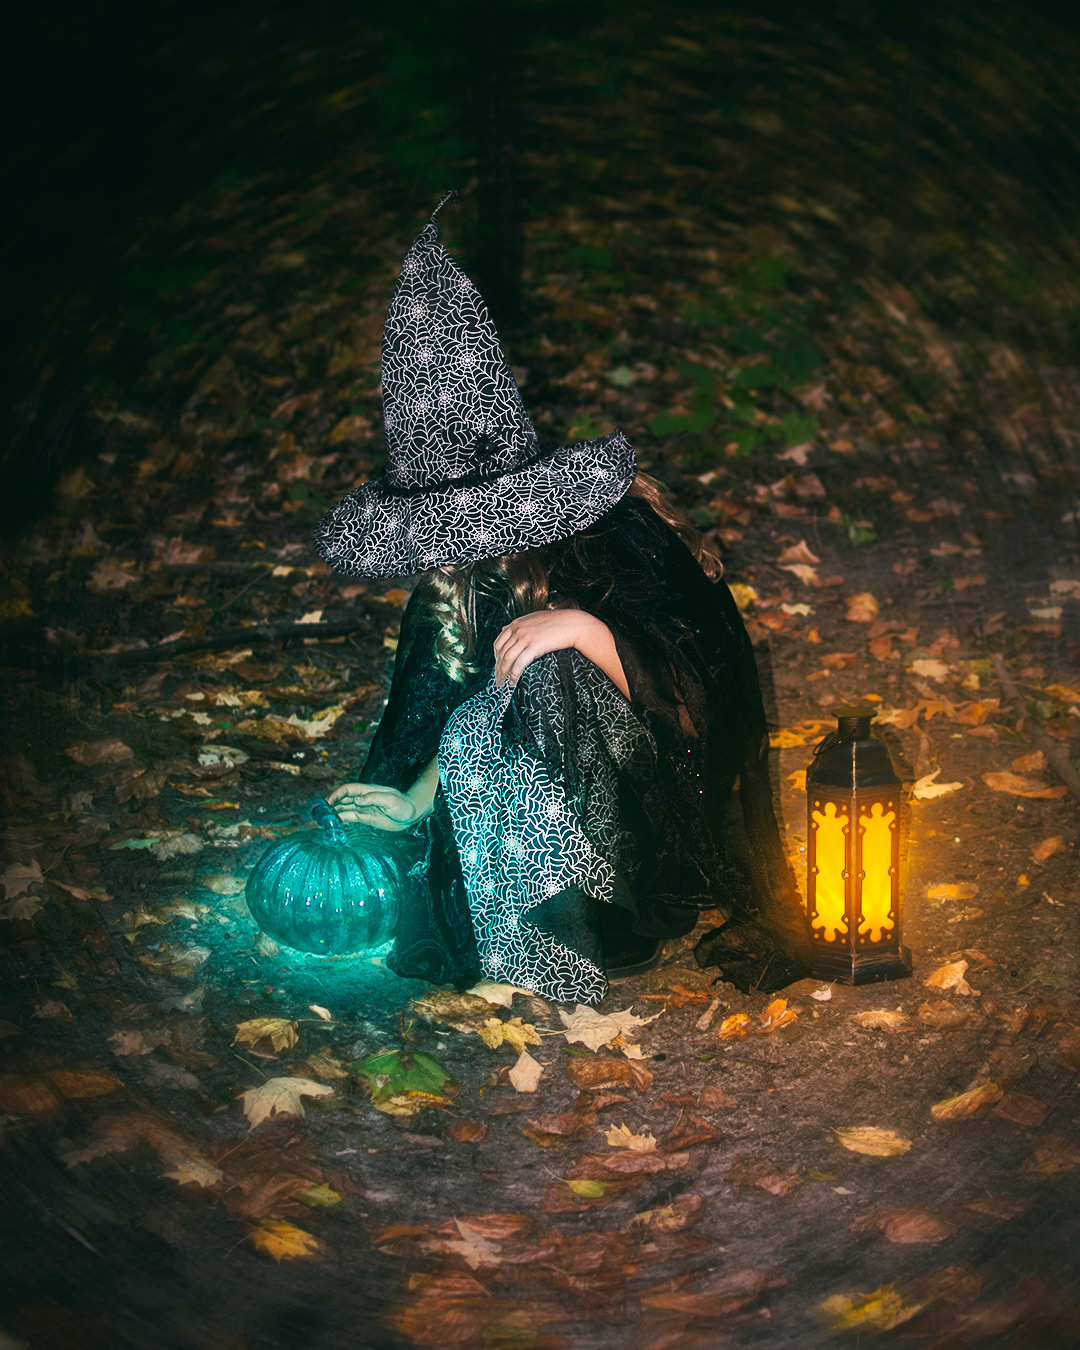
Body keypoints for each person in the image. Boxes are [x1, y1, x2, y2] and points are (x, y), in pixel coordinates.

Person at [312, 191, 810, 1005]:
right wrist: (411, 799)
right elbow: (477, 712)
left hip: (655, 828)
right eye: (439, 525)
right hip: (533, 834)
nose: (456, 541)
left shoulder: (609, 539)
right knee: (522, 682)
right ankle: (523, 919)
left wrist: (586, 629)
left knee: (552, 669)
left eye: (466, 520)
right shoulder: (457, 577)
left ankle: (594, 928)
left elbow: (700, 708)